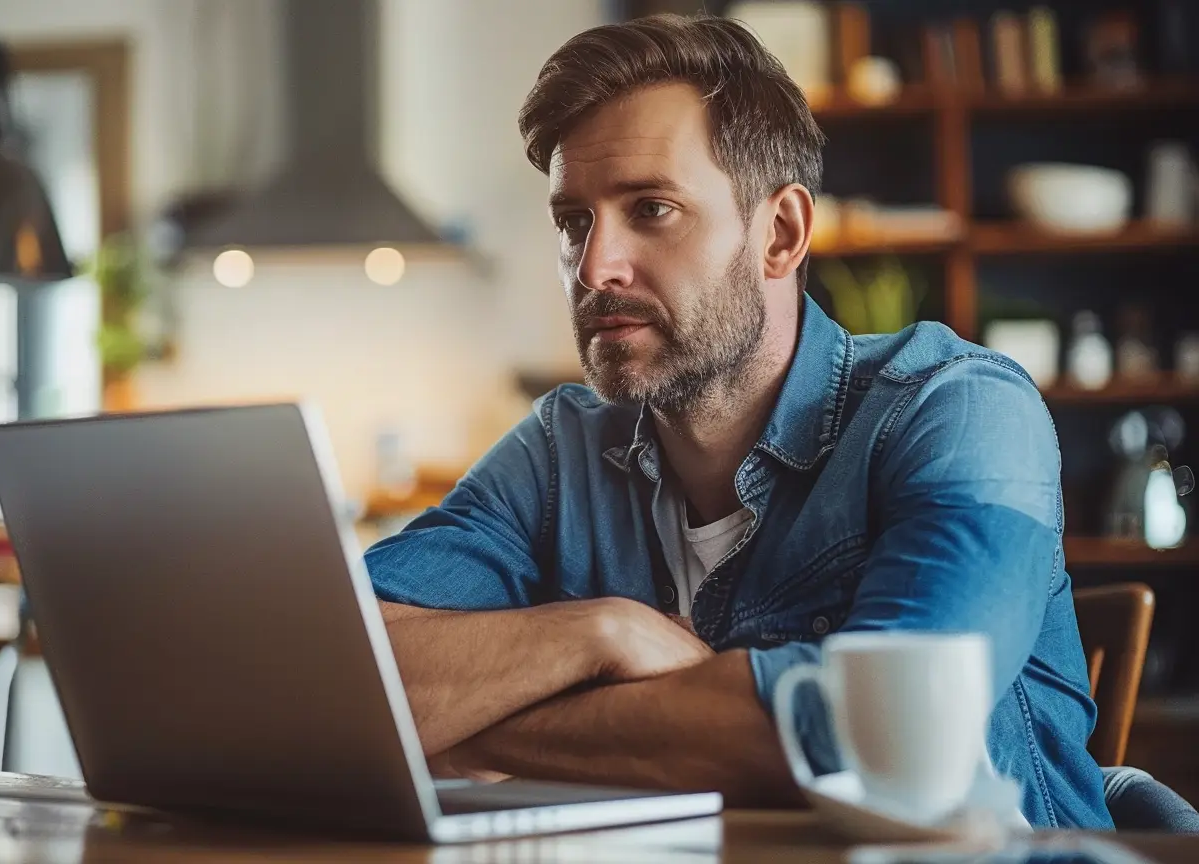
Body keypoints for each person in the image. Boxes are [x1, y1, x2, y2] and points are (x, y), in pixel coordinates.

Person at [364, 13, 1111, 829]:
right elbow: (327, 676)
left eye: (651, 208)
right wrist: (601, 633)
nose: (593, 267)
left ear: (780, 233)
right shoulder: (558, 450)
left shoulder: (956, 408)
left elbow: (891, 739)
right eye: (573, 221)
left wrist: (480, 727)